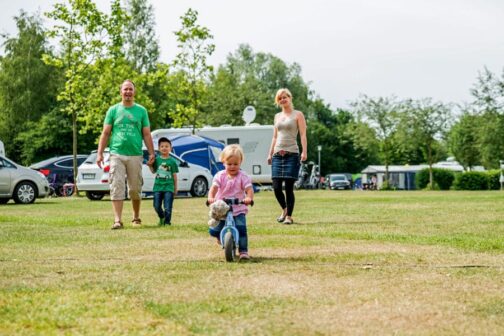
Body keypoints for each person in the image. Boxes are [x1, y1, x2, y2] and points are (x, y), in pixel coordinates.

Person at [96, 79, 155, 229]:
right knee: (116, 186)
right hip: (116, 154)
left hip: (135, 154)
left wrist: (151, 153)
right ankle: (117, 220)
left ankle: (136, 217)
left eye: (130, 89)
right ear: (120, 92)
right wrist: (100, 153)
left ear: (134, 92)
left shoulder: (141, 111)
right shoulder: (113, 110)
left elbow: (147, 134)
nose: (128, 92)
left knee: (134, 189)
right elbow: (106, 133)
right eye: (125, 89)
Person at [267, 88, 307, 225]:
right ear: (278, 102)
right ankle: (284, 209)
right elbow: (274, 136)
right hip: (278, 154)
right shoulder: (277, 116)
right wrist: (270, 153)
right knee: (276, 187)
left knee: (289, 187)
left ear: (290, 98)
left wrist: (304, 151)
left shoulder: (298, 115)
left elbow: (302, 134)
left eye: (285, 97)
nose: (283, 99)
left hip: (292, 153)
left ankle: (289, 216)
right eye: (280, 98)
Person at [207, 144, 254, 260]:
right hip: (221, 208)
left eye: (235, 164)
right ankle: (219, 236)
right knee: (214, 230)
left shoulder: (243, 176)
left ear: (240, 162)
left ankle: (243, 251)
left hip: (238, 209)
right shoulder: (220, 176)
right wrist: (211, 197)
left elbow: (249, 189)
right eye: (229, 164)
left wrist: (249, 198)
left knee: (241, 228)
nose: (232, 167)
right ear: (223, 162)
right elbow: (214, 188)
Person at [148, 137, 178, 226]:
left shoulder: (172, 161)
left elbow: (174, 176)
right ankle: (162, 217)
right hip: (158, 187)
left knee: (168, 207)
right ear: (159, 148)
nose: (164, 148)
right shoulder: (157, 160)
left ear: (170, 148)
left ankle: (167, 223)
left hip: (169, 187)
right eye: (162, 146)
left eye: (166, 146)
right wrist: (150, 165)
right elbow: (153, 171)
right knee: (156, 206)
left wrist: (175, 188)